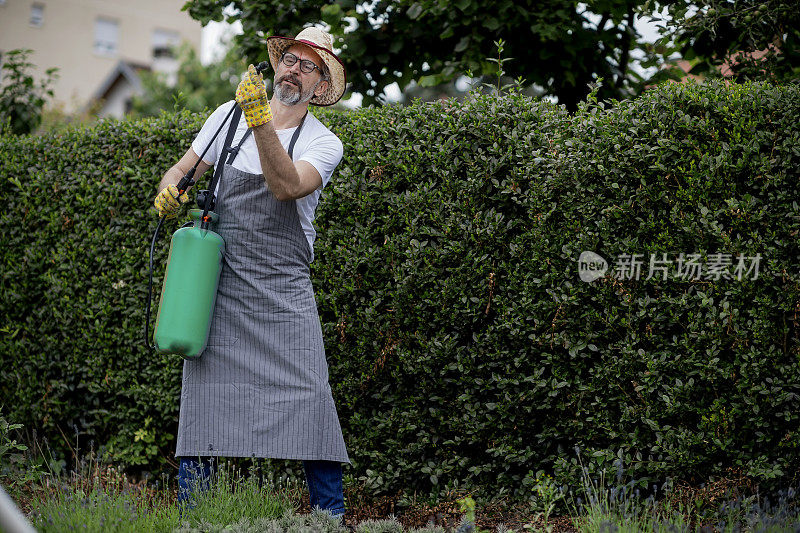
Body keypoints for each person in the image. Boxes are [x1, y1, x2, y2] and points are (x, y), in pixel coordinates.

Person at [152, 27, 349, 518]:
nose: (293, 70)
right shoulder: (226, 117)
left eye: (309, 66)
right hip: (218, 292)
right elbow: (181, 172)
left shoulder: (325, 144)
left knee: (311, 399)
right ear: (277, 64)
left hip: (284, 293)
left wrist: (261, 120)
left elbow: (285, 187)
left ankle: (330, 520)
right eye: (290, 59)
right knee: (204, 406)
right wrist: (169, 191)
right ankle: (193, 520)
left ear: (320, 86)